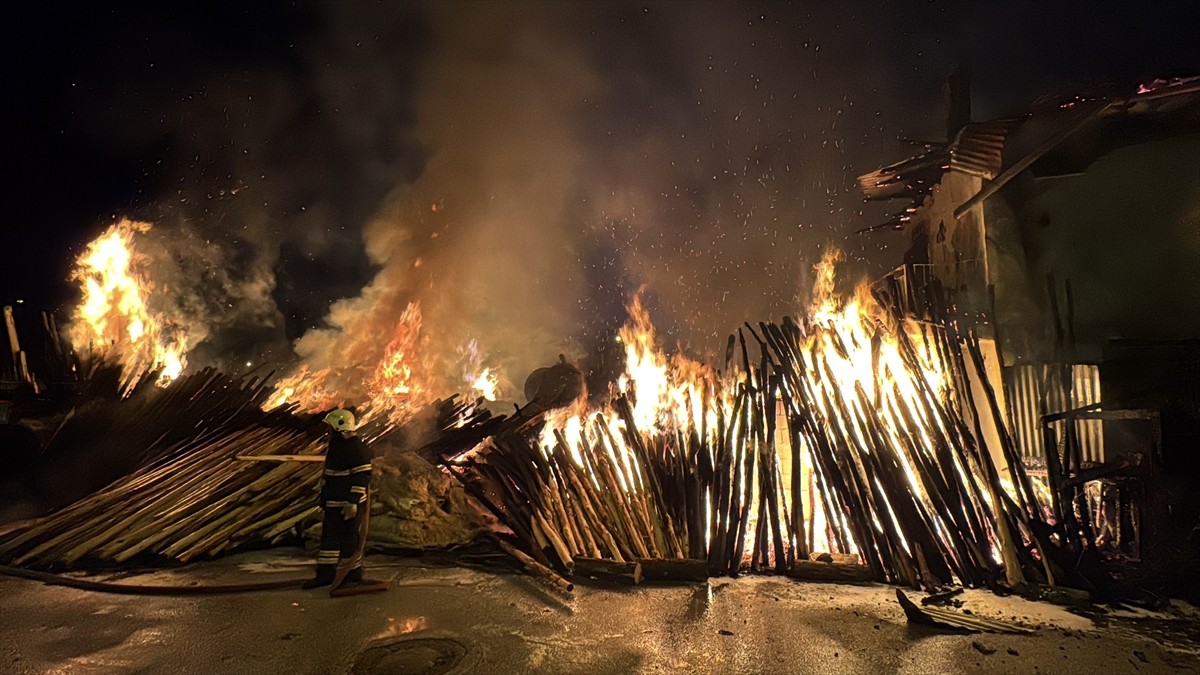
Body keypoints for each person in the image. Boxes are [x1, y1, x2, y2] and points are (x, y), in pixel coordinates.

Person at [303, 408, 376, 593]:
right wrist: (324, 500)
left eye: (330, 428)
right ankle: (326, 575)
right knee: (329, 540)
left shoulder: (356, 447)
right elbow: (330, 475)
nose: (328, 432)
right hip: (334, 503)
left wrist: (353, 502)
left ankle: (352, 575)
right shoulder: (337, 445)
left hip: (347, 504)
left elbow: (362, 477)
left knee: (349, 540)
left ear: (339, 427)